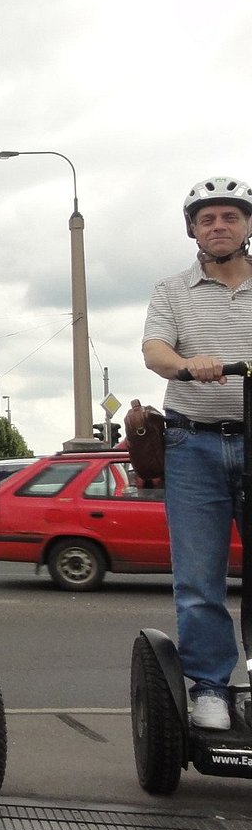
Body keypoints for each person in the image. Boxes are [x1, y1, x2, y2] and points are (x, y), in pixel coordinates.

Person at [142, 175, 252, 732]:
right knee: (199, 577)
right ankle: (210, 686)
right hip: (193, 442)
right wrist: (188, 364)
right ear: (192, 230)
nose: (218, 226)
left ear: (248, 225)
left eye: (230, 216)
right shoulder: (172, 289)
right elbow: (155, 349)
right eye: (206, 219)